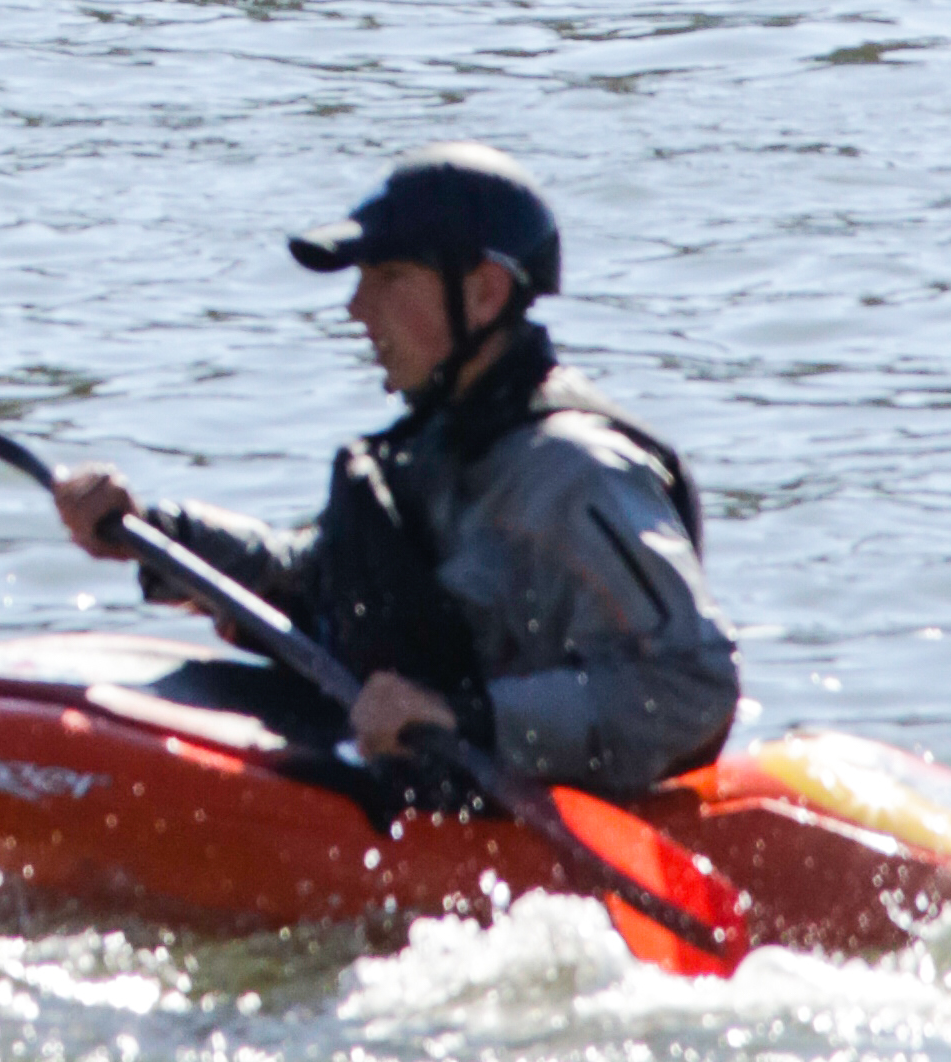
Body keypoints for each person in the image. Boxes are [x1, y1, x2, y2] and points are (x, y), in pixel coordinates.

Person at [52, 145, 742, 799]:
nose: (357, 308)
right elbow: (313, 581)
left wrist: (466, 717)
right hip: (430, 791)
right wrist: (155, 533)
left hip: (529, 817)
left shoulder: (578, 473)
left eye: (388, 278)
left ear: (484, 293)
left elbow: (692, 685)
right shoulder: (434, 450)